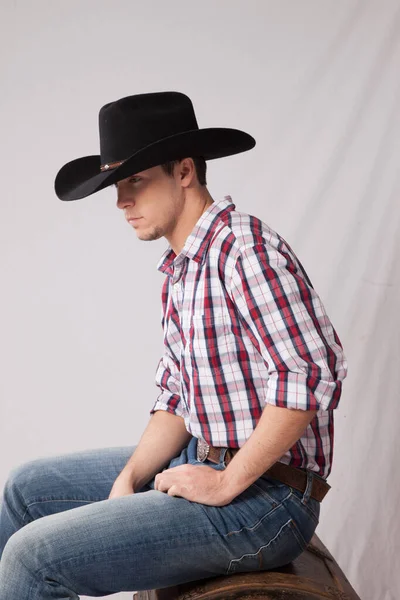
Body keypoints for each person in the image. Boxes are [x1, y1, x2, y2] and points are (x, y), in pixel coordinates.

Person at [0, 91, 348, 599]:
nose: (121, 202)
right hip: (201, 454)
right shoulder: (181, 272)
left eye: (135, 181)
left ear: (184, 171)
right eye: (117, 186)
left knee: (33, 560)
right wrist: (129, 480)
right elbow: (175, 402)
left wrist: (226, 483)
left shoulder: (242, 249)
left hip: (269, 500)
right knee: (23, 491)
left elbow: (307, 376)